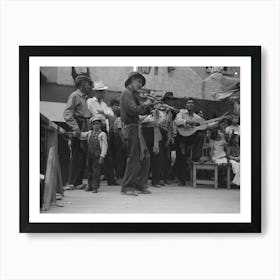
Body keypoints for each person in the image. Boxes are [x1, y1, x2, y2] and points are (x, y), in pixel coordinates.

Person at [120, 71, 153, 196]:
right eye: (139, 81)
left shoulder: (132, 95)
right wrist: (146, 104)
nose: (140, 85)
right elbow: (134, 110)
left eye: (141, 83)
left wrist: (150, 105)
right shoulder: (126, 94)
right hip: (131, 128)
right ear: (131, 80)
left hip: (136, 128)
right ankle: (128, 186)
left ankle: (140, 184)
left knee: (145, 157)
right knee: (134, 158)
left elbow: (142, 111)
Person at [63, 74, 92, 189]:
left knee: (82, 154)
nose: (89, 86)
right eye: (88, 84)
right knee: (76, 153)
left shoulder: (84, 97)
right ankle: (72, 182)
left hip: (84, 125)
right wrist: (75, 127)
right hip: (78, 124)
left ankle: (78, 182)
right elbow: (67, 113)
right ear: (82, 84)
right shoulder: (75, 95)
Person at [87, 81, 117, 185]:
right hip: (95, 128)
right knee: (93, 155)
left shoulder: (103, 104)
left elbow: (111, 114)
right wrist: (105, 114)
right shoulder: (90, 101)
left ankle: (110, 180)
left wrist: (103, 112)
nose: (103, 94)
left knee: (107, 154)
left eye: (103, 92)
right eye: (101, 92)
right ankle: (93, 181)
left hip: (104, 128)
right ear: (97, 92)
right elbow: (95, 115)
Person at [173, 97, 205, 186]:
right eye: (188, 103)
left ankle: (196, 156)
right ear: (186, 105)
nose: (190, 104)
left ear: (194, 105)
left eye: (192, 103)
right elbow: (176, 121)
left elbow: (203, 125)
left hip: (191, 138)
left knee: (200, 134)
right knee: (181, 156)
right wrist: (186, 121)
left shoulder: (197, 117)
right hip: (182, 137)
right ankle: (181, 180)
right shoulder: (181, 113)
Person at [80, 115, 108, 193]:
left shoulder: (102, 134)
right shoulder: (89, 133)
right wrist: (76, 132)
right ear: (92, 125)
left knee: (96, 171)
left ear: (100, 125)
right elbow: (82, 135)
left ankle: (95, 186)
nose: (96, 126)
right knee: (89, 170)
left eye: (98, 124)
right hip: (90, 154)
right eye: (94, 124)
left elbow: (104, 146)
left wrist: (102, 156)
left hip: (97, 155)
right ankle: (89, 185)